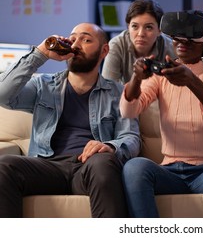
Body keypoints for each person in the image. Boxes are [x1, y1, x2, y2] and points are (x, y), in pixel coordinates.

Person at [0, 22, 141, 218]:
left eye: (86, 39)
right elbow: (2, 94)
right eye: (73, 39)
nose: (76, 45)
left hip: (88, 167)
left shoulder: (118, 92)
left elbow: (131, 137)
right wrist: (40, 53)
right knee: (4, 166)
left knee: (103, 162)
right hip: (46, 167)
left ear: (104, 50)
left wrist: (110, 146)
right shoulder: (43, 85)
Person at [120, 10, 203, 218]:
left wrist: (192, 81)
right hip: (169, 172)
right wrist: (136, 78)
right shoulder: (162, 75)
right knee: (134, 167)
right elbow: (128, 110)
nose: (182, 41)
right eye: (177, 36)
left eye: (191, 36)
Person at [102, 0, 176, 84]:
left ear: (159, 30)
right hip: (125, 96)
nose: (141, 34)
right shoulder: (117, 45)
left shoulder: (170, 47)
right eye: (135, 26)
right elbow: (108, 88)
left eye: (148, 27)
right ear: (128, 27)